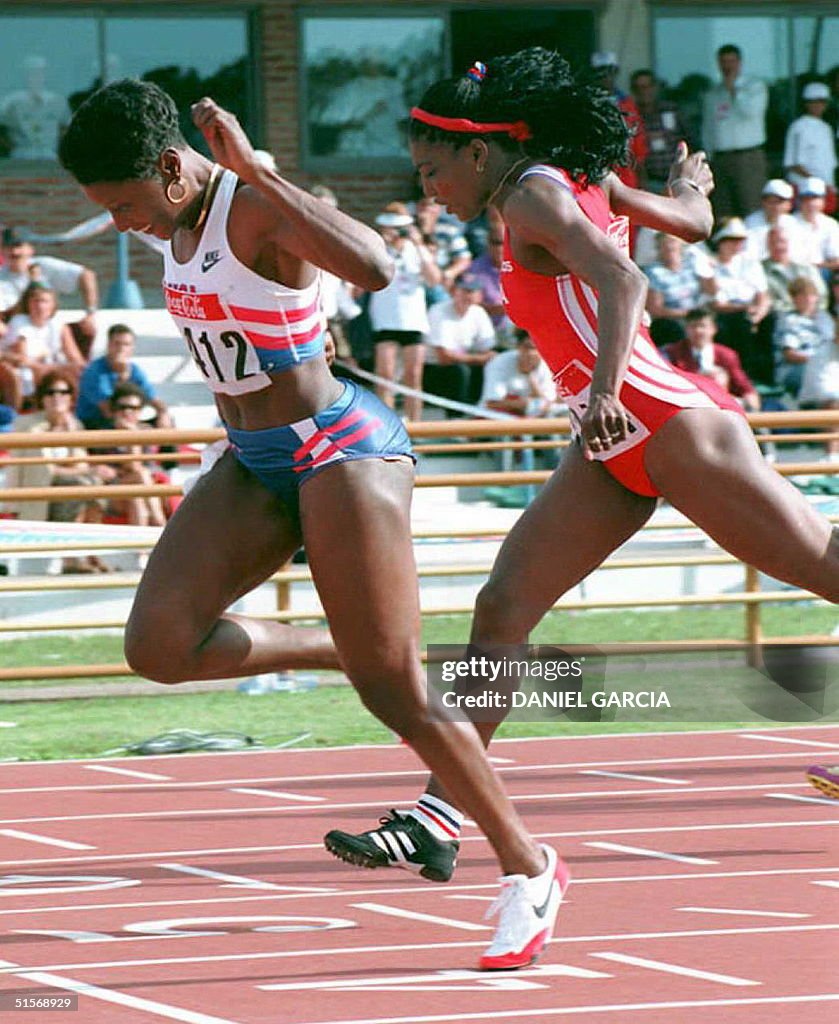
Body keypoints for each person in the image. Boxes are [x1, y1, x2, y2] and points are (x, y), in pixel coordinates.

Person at [325, 47, 839, 927]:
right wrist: (692, 181)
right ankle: (437, 815)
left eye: (430, 170)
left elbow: (626, 277)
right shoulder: (570, 180)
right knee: (502, 607)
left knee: (825, 572)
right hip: (609, 448)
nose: (427, 189)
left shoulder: (534, 193)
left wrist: (601, 392)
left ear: (476, 152)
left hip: (669, 428)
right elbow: (688, 221)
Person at [58, 77, 561, 973]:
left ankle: (528, 871)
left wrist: (258, 169)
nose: (126, 224)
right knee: (158, 646)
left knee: (396, 694)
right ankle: (345, 648)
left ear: (175, 168)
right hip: (252, 461)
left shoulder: (251, 207)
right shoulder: (172, 219)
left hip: (340, 451)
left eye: (129, 204)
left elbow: (375, 266)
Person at [3, 368, 109, 572]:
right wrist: (88, 471)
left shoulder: (74, 425)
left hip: (67, 490)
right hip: (38, 494)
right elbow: (46, 471)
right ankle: (71, 559)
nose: (56, 397)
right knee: (84, 485)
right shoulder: (27, 425)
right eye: (50, 392)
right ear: (41, 397)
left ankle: (89, 553)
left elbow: (80, 465)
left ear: (71, 397)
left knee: (94, 487)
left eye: (63, 392)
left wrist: (70, 433)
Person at [368, 202, 441, 422]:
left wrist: (418, 245)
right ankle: (386, 424)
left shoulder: (419, 250)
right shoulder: (378, 248)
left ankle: (416, 424)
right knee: (385, 375)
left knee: (413, 375)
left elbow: (434, 280)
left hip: (413, 319)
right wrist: (385, 244)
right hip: (385, 318)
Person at [0, 227, 100, 358]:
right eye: (9, 247)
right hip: (14, 333)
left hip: (47, 327)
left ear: (30, 249)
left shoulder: (45, 266)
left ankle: (81, 373)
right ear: (2, 251)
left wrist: (90, 313)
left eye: (19, 246)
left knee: (84, 330)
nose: (15, 252)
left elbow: (86, 276)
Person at [702, 44, 768, 219]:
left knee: (751, 207)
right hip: (721, 158)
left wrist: (734, 91)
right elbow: (709, 128)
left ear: (739, 63)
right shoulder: (713, 92)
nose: (727, 66)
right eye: (723, 62)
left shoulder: (755, 87)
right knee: (723, 209)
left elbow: (751, 112)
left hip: (747, 157)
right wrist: (708, 157)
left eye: (731, 61)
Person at [707, 217, 773, 384]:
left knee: (772, 319)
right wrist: (745, 310)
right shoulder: (709, 264)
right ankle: (746, 376)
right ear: (721, 241)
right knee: (740, 323)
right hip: (726, 314)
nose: (737, 244)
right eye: (732, 240)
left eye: (740, 240)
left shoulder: (750, 263)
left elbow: (762, 294)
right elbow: (716, 304)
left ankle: (767, 376)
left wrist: (759, 313)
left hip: (751, 311)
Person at [76, 323, 173, 430]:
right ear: (108, 345)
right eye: (117, 344)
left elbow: (153, 399)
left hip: (125, 418)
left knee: (168, 422)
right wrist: (122, 375)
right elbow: (108, 409)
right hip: (96, 422)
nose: (121, 348)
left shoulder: (135, 370)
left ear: (132, 348)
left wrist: (163, 413)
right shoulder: (94, 372)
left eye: (126, 344)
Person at [423, 273, 496, 412]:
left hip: (463, 364)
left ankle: (487, 411)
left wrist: (484, 358)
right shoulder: (438, 311)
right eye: (464, 290)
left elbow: (489, 349)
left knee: (494, 362)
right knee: (459, 371)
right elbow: (444, 357)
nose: (468, 295)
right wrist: (479, 358)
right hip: (434, 372)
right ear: (453, 291)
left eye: (472, 291)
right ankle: (456, 417)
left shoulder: (478, 312)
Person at [663, 307, 760, 412]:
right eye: (693, 326)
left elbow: (745, 388)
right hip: (688, 408)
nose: (698, 331)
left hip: (723, 408)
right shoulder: (672, 353)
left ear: (713, 329)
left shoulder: (726, 355)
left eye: (703, 326)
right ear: (686, 329)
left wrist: (752, 407)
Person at [1, 282, 86, 397]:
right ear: (29, 304)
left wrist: (77, 367)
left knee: (79, 373)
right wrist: (55, 368)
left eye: (45, 301)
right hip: (24, 369)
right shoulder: (19, 323)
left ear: (53, 305)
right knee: (35, 374)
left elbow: (75, 357)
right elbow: (22, 359)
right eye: (36, 301)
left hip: (51, 366)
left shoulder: (59, 325)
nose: (40, 306)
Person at [644, 232, 714, 346]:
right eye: (664, 244)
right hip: (673, 319)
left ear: (680, 244)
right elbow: (656, 309)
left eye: (672, 242)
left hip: (699, 314)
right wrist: (687, 314)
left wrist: (707, 269)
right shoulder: (654, 272)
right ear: (658, 248)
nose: (669, 247)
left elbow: (711, 291)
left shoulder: (692, 263)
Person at [629, 68, 691, 194]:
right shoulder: (630, 116)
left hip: (677, 178)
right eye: (639, 88)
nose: (643, 92)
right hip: (649, 181)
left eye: (647, 86)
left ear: (654, 87)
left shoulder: (671, 109)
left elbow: (689, 138)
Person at [773, 276, 835, 398]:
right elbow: (790, 355)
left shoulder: (825, 318)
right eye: (802, 296)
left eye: (811, 295)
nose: (807, 299)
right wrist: (817, 361)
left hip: (826, 364)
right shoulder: (788, 320)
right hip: (796, 368)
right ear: (794, 299)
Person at [784, 82, 837, 211]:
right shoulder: (799, 126)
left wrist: (828, 187)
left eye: (822, 101)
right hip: (804, 190)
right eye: (814, 101)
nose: (818, 105)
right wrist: (818, 184)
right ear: (806, 103)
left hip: (827, 190)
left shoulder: (827, 128)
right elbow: (794, 165)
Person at [762, 226, 827, 314]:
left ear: (789, 243)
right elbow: (767, 302)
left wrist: (812, 310)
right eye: (773, 242)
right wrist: (797, 309)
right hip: (781, 317)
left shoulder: (806, 267)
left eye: (782, 241)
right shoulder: (760, 270)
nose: (778, 246)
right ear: (767, 245)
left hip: (814, 314)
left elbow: (822, 294)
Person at [743, 179, 807, 263]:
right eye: (770, 201)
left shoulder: (793, 224)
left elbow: (799, 255)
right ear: (763, 202)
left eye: (779, 202)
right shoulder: (750, 223)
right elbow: (749, 255)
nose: (774, 206)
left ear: (789, 205)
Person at [793, 177, 839, 275]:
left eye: (815, 198)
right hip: (796, 273)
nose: (811, 203)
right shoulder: (789, 223)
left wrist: (817, 267)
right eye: (806, 199)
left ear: (823, 201)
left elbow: (836, 260)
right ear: (799, 201)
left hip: (823, 272)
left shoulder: (831, 224)